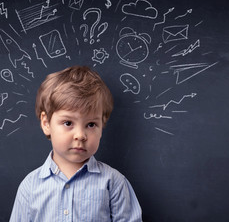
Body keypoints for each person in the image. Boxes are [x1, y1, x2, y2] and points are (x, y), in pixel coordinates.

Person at [9, 66, 142, 221]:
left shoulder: (114, 183)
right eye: (68, 123)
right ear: (46, 123)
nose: (80, 135)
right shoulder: (30, 186)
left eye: (91, 124)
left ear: (102, 126)